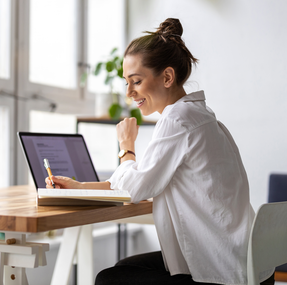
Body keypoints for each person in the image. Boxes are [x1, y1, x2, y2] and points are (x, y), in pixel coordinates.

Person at [46, 18, 275, 285]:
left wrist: (126, 147)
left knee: (109, 279)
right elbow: (142, 180)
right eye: (126, 82)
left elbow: (135, 189)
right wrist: (79, 186)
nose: (129, 92)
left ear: (167, 77)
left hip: (223, 272)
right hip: (246, 264)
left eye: (136, 81)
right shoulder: (199, 115)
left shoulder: (177, 120)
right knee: (124, 268)